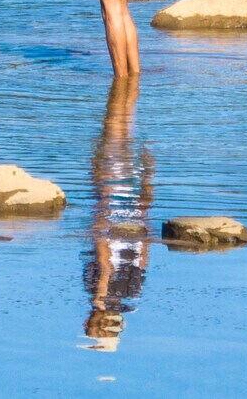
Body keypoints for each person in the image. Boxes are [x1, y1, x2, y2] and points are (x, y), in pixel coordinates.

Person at [83, 78, 152, 351]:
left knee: (122, 133)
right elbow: (104, 261)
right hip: (112, 208)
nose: (85, 326)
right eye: (90, 331)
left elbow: (143, 256)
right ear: (101, 324)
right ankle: (124, 89)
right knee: (113, 130)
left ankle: (126, 90)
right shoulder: (100, 295)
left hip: (132, 212)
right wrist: (100, 213)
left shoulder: (132, 297)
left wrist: (148, 190)